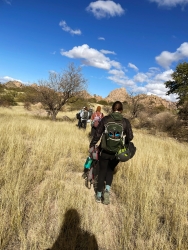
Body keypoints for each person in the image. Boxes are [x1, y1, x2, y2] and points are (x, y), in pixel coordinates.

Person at [89, 101, 134, 205]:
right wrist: (123, 141)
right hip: (116, 153)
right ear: (121, 110)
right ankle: (107, 192)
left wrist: (92, 144)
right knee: (110, 171)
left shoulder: (106, 119)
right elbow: (130, 137)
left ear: (112, 109)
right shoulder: (125, 122)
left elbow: (97, 134)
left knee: (102, 172)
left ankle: (98, 195)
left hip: (104, 151)